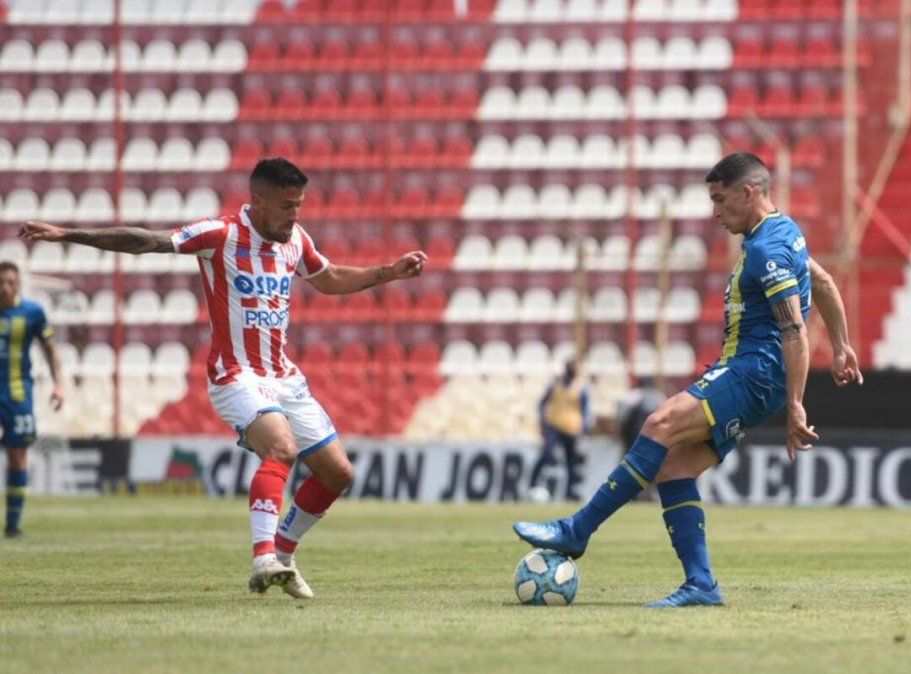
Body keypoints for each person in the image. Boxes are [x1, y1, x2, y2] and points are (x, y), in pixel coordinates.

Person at [18, 158, 427, 598]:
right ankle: (263, 558)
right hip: (235, 374)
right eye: (287, 206)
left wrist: (388, 272)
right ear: (259, 200)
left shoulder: (295, 241)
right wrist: (68, 234)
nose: (295, 215)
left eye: (299, 205)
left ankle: (284, 555)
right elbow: (147, 242)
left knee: (338, 475)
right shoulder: (222, 234)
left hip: (284, 376)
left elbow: (328, 279)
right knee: (281, 448)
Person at [513, 152, 863, 607]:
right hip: (758, 376)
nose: (715, 212)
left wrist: (796, 403)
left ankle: (576, 530)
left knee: (659, 423)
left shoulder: (766, 250)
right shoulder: (784, 232)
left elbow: (793, 328)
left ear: (748, 193)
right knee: (675, 468)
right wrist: (841, 345)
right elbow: (825, 283)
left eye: (720, 200)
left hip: (753, 371)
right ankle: (701, 585)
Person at [0, 262, 64, 538]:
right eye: (1, 283)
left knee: (18, 454)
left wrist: (59, 383)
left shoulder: (32, 313)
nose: (5, 288)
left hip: (17, 393)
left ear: (19, 284)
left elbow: (50, 347)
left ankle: (13, 524)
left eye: (10, 282)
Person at [529, 358, 592, 501]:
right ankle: (532, 486)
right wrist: (543, 424)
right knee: (547, 456)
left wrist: (584, 428)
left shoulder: (581, 388)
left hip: (572, 430)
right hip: (554, 427)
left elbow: (586, 410)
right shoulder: (555, 385)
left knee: (571, 463)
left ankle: (569, 494)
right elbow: (541, 404)